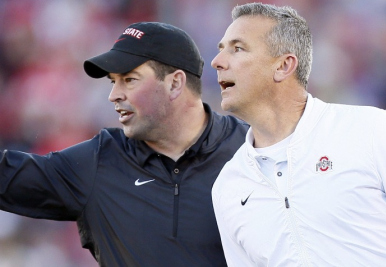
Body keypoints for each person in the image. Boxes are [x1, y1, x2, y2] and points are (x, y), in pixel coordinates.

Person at [211, 2, 386, 266]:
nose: (217, 61)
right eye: (222, 50)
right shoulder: (228, 186)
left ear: (284, 66)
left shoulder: (372, 131)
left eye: (238, 48)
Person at [0, 21, 248, 266]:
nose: (114, 95)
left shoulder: (253, 151)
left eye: (129, 80)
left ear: (174, 83)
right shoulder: (98, 163)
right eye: (113, 81)